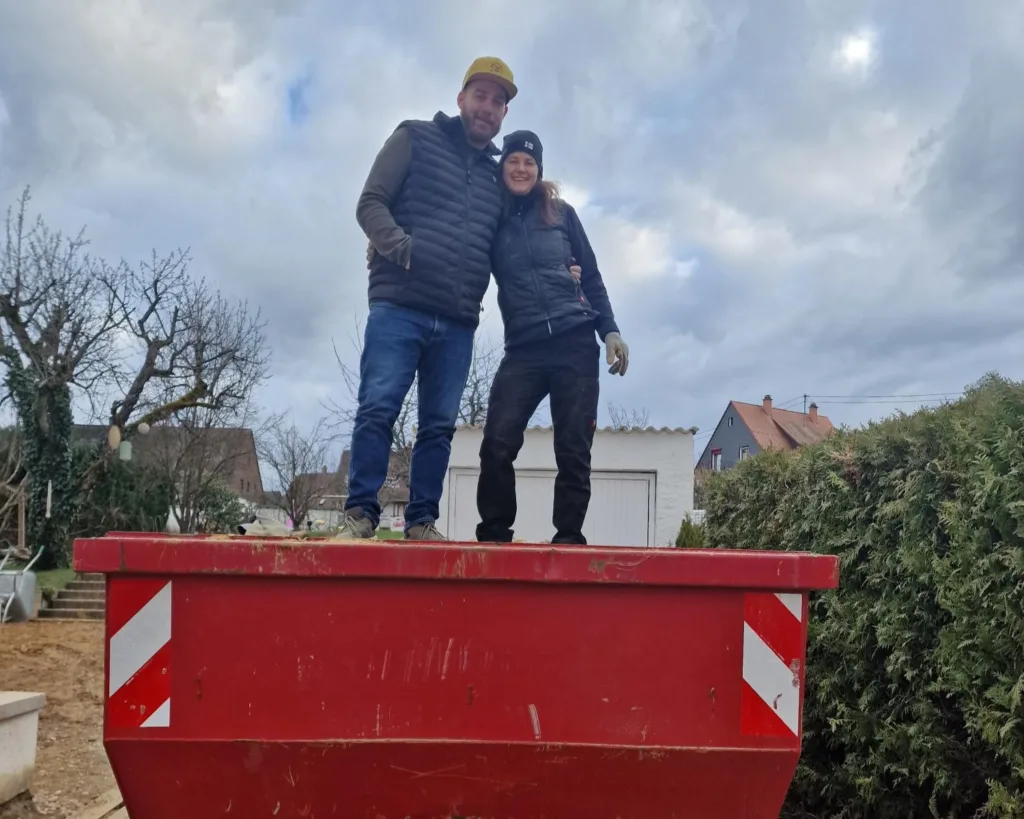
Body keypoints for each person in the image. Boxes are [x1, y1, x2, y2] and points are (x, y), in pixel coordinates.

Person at [340, 57, 517, 542]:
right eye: (480, 96)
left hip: (458, 321)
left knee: (438, 428)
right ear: (461, 99)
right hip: (399, 307)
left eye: (498, 101)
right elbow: (369, 202)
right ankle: (361, 514)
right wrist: (402, 249)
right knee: (378, 407)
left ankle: (421, 520)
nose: (487, 107)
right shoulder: (414, 138)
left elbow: (510, 239)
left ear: (503, 113)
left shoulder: (495, 177)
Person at [475, 130, 629, 545]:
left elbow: (592, 276)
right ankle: (493, 535)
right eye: (513, 161)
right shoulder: (492, 221)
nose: (521, 168)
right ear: (503, 166)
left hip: (574, 340)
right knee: (497, 442)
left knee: (574, 447)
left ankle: (568, 538)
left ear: (539, 169)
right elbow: (463, 258)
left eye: (529, 162)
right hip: (523, 347)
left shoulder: (562, 214)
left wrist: (609, 330)